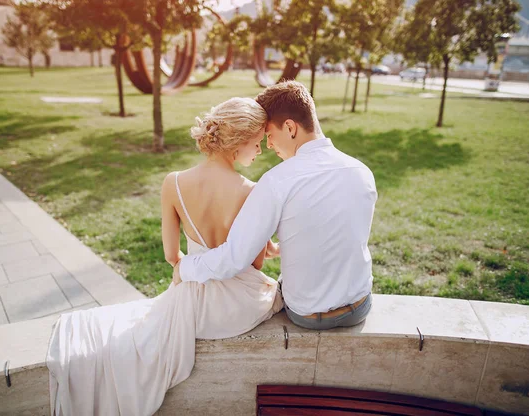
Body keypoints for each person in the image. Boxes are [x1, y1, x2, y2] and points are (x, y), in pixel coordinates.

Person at [46, 97, 283, 416]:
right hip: (235, 304)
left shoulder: (173, 182)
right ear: (237, 142)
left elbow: (173, 256)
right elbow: (253, 264)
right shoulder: (250, 190)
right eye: (256, 143)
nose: (260, 150)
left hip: (190, 300)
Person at [173, 81, 378, 331]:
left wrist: (185, 267)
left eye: (269, 135)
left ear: (290, 128)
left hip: (306, 314)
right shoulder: (362, 172)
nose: (268, 146)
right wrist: (286, 248)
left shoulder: (277, 180)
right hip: (359, 306)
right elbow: (342, 233)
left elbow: (234, 258)